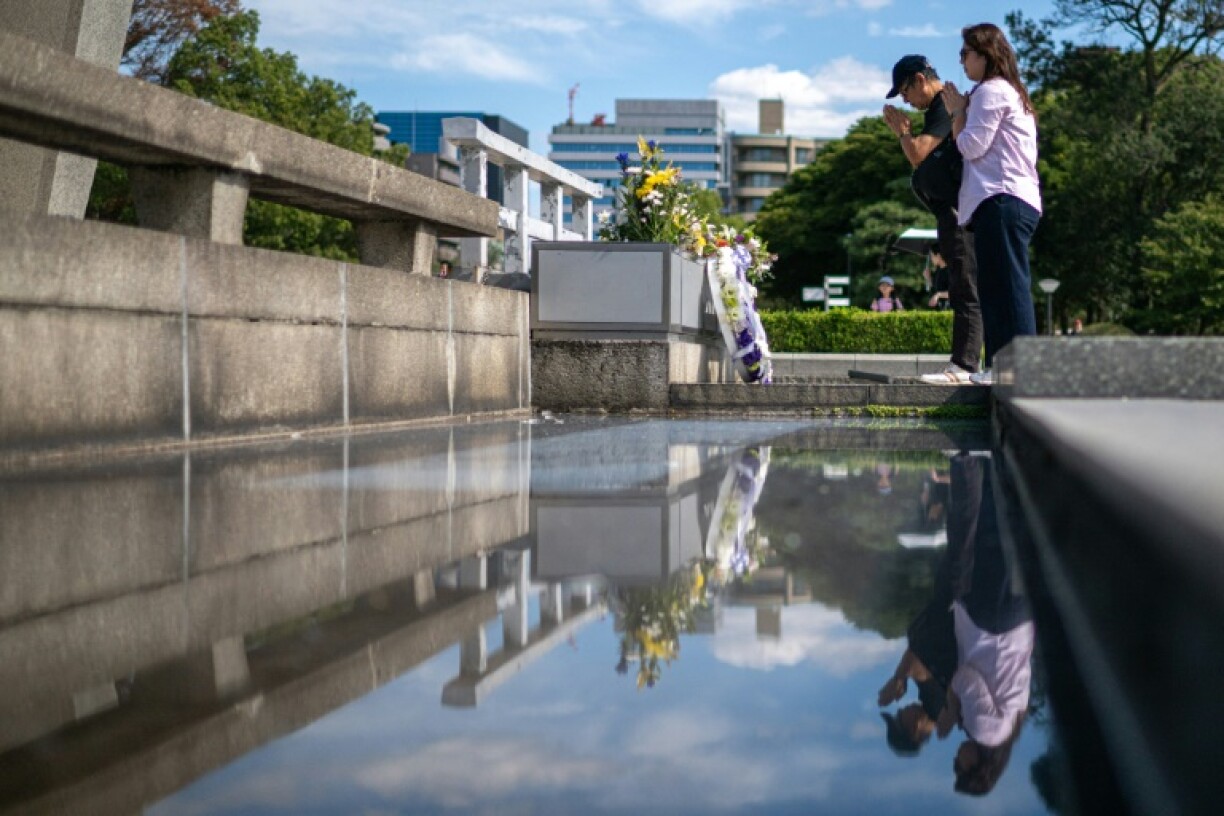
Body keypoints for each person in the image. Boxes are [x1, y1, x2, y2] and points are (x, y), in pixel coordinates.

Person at [943, 24, 1043, 386]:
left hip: (1001, 198)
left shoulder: (990, 91)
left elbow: (970, 146)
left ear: (985, 55)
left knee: (1009, 287)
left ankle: (1016, 371)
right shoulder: (1008, 92)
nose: (962, 61)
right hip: (1007, 200)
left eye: (966, 54)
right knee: (999, 287)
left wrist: (957, 112)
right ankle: (1004, 368)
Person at [883, 55, 982, 385]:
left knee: (966, 285)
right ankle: (964, 362)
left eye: (905, 92)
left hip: (960, 210)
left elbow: (919, 153)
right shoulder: (936, 111)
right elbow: (920, 161)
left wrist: (901, 133)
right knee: (959, 283)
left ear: (920, 79)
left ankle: (965, 365)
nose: (907, 101)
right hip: (949, 210)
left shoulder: (943, 104)